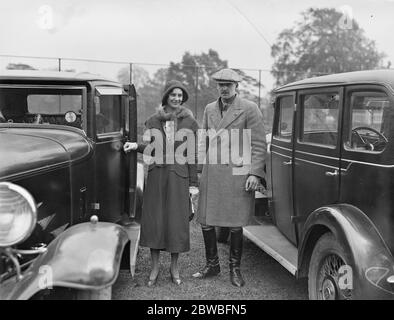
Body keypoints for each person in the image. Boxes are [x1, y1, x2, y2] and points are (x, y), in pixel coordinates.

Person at [194, 68, 267, 287]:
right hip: (212, 171)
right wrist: (199, 169)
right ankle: (212, 265)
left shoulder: (249, 108)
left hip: (238, 172)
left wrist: (255, 173)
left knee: (235, 223)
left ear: (236, 86)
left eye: (228, 84)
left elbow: (258, 143)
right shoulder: (209, 109)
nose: (224, 88)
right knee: (206, 220)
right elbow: (203, 140)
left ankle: (234, 269)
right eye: (220, 84)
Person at [124, 80, 199, 287]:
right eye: (173, 95)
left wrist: (193, 184)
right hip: (157, 177)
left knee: (176, 222)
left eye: (180, 95)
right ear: (166, 97)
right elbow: (151, 148)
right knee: (155, 221)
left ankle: (174, 268)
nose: (176, 98)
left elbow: (192, 155)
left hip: (179, 177)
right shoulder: (152, 121)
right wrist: (136, 146)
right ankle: (155, 268)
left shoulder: (190, 123)